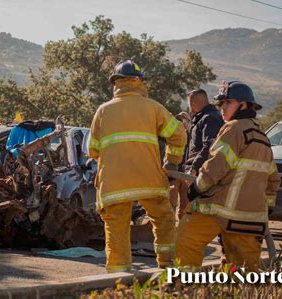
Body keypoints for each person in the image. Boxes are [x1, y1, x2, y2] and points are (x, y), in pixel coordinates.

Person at [88, 59, 187, 272]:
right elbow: (179, 135)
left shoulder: (103, 111)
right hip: (149, 178)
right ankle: (167, 266)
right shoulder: (153, 108)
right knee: (163, 218)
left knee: (116, 225)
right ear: (139, 81)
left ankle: (118, 275)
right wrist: (172, 162)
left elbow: (93, 150)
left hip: (114, 182)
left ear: (116, 83)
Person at [175, 81, 281, 271]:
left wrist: (196, 189)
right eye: (220, 104)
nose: (222, 108)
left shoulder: (233, 128)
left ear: (244, 105)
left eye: (227, 103)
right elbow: (273, 179)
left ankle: (184, 288)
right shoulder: (262, 137)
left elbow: (215, 166)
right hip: (251, 220)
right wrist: (266, 208)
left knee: (185, 241)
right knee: (246, 273)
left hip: (219, 211)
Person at [184, 89, 224, 179]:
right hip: (198, 170)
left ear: (193, 103)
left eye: (189, 105)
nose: (190, 109)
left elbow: (210, 145)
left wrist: (194, 168)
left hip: (199, 173)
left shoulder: (209, 119)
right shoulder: (206, 118)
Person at [169, 111, 192, 220]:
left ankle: (180, 234)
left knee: (185, 206)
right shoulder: (171, 136)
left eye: (183, 120)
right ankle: (170, 231)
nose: (180, 123)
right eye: (178, 120)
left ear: (189, 123)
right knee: (170, 204)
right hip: (173, 175)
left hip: (187, 175)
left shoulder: (194, 137)